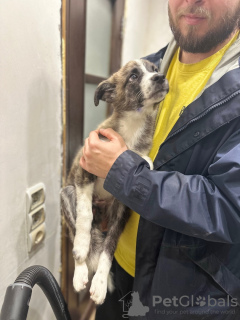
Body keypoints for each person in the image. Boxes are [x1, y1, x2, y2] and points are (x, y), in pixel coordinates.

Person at [79, 0, 240, 319]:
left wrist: (123, 172)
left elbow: (230, 206)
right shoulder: (150, 68)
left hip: (185, 298)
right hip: (117, 273)